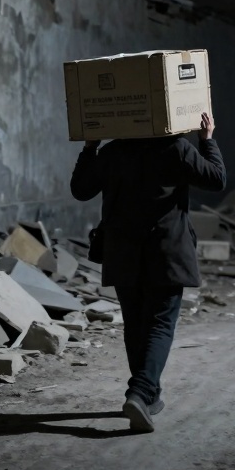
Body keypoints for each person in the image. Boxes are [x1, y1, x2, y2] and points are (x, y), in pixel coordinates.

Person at [70, 111, 226, 433]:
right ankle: (140, 393)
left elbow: (80, 189)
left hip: (123, 252)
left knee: (136, 324)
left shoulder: (112, 152)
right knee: (159, 323)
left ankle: (148, 396)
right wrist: (207, 140)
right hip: (165, 252)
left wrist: (90, 147)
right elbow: (216, 179)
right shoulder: (176, 149)